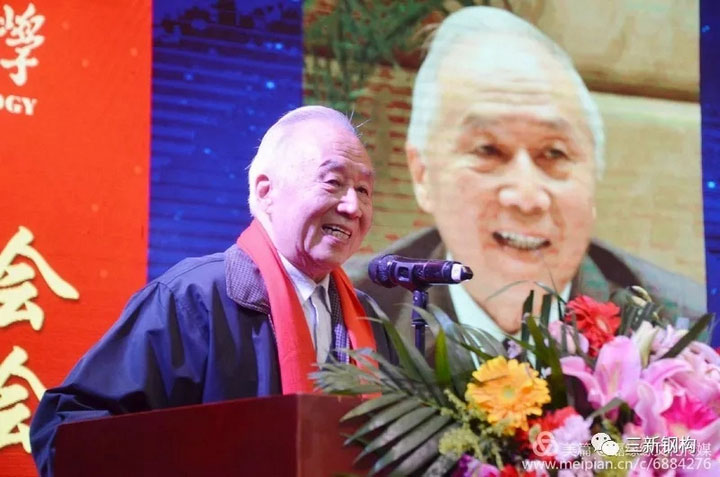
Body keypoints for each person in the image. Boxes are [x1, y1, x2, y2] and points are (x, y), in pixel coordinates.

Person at [30, 105, 394, 476]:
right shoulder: (192, 299)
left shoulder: (369, 320)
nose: (353, 207)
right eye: (333, 182)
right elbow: (67, 430)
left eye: (364, 190)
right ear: (265, 191)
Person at [348, 7, 705, 346]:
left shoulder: (688, 329)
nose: (527, 197)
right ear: (423, 175)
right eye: (488, 150)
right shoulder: (344, 314)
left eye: (555, 153)